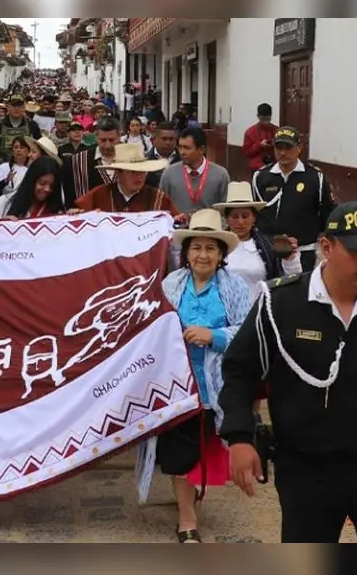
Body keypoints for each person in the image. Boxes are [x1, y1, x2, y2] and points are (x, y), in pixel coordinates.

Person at [220, 202, 357, 543]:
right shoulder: (281, 303)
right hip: (307, 471)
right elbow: (239, 370)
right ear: (326, 247)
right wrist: (239, 436)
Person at [137, 209, 250, 543]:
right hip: (178, 386)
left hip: (216, 385)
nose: (202, 255)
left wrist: (212, 336)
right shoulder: (171, 285)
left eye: (210, 248)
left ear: (221, 254)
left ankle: (191, 497)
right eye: (196, 248)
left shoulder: (235, 287)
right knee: (180, 451)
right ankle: (187, 520)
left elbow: (246, 331)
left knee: (207, 447)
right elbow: (152, 327)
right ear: (186, 254)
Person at [252, 126, 337, 271]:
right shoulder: (261, 176)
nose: (283, 152)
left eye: (288, 147)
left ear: (299, 148)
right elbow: (255, 214)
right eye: (278, 147)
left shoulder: (315, 177)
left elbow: (327, 214)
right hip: (268, 252)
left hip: (303, 252)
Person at [214, 182, 302, 301]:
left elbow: (293, 278)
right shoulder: (216, 246)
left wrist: (290, 258)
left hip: (259, 309)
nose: (240, 222)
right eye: (234, 217)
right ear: (227, 219)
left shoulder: (269, 245)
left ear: (254, 217)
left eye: (245, 216)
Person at [75, 144, 180, 217]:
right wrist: (74, 215)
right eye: (133, 172)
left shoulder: (158, 198)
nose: (139, 176)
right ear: (118, 173)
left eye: (142, 172)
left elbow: (176, 221)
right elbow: (78, 215)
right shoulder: (99, 195)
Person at [159, 127, 230, 215]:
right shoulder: (169, 173)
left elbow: (225, 211)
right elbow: (161, 208)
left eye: (187, 148)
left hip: (209, 227)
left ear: (201, 149)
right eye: (180, 147)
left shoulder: (220, 175)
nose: (182, 152)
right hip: (177, 227)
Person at [0, 156, 65, 219]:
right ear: (31, 181)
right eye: (42, 183)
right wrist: (4, 225)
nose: (47, 189)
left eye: (52, 186)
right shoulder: (5, 202)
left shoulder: (57, 213)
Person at [241, 103, 278, 174]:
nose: (265, 122)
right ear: (258, 116)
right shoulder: (250, 132)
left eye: (268, 119)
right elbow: (246, 153)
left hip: (274, 167)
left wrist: (275, 144)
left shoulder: (277, 130)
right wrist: (259, 146)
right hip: (257, 168)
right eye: (263, 119)